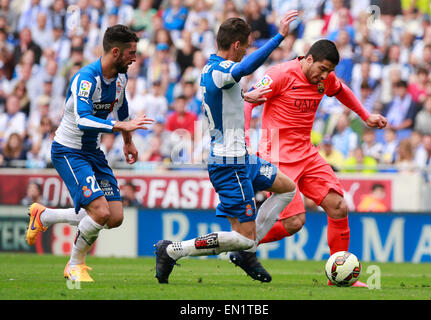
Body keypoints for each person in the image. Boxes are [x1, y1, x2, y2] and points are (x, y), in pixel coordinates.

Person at [154, 11, 299, 284]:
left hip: (242, 158)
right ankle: (172, 250)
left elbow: (223, 94)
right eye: (245, 46)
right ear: (236, 45)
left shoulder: (211, 69)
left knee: (287, 188)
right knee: (243, 238)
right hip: (228, 163)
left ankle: (248, 249)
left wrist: (245, 95)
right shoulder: (223, 70)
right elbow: (242, 70)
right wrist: (279, 36)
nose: (246, 51)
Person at [244, 39, 387, 287]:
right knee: (294, 222)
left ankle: (339, 278)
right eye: (322, 69)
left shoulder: (324, 78)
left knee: (339, 206)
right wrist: (246, 138)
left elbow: (341, 90)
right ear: (308, 59)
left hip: (305, 153)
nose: (325, 76)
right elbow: (248, 102)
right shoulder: (279, 75)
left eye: (329, 71)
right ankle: (243, 243)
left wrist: (366, 116)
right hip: (276, 153)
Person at [25, 25, 154, 282]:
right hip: (68, 151)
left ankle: (45, 215)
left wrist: (128, 141)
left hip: (93, 151)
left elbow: (121, 111)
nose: (135, 58)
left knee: (114, 216)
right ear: (115, 52)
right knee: (100, 212)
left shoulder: (120, 79)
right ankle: (74, 265)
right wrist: (120, 127)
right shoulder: (86, 79)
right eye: (131, 52)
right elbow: (83, 120)